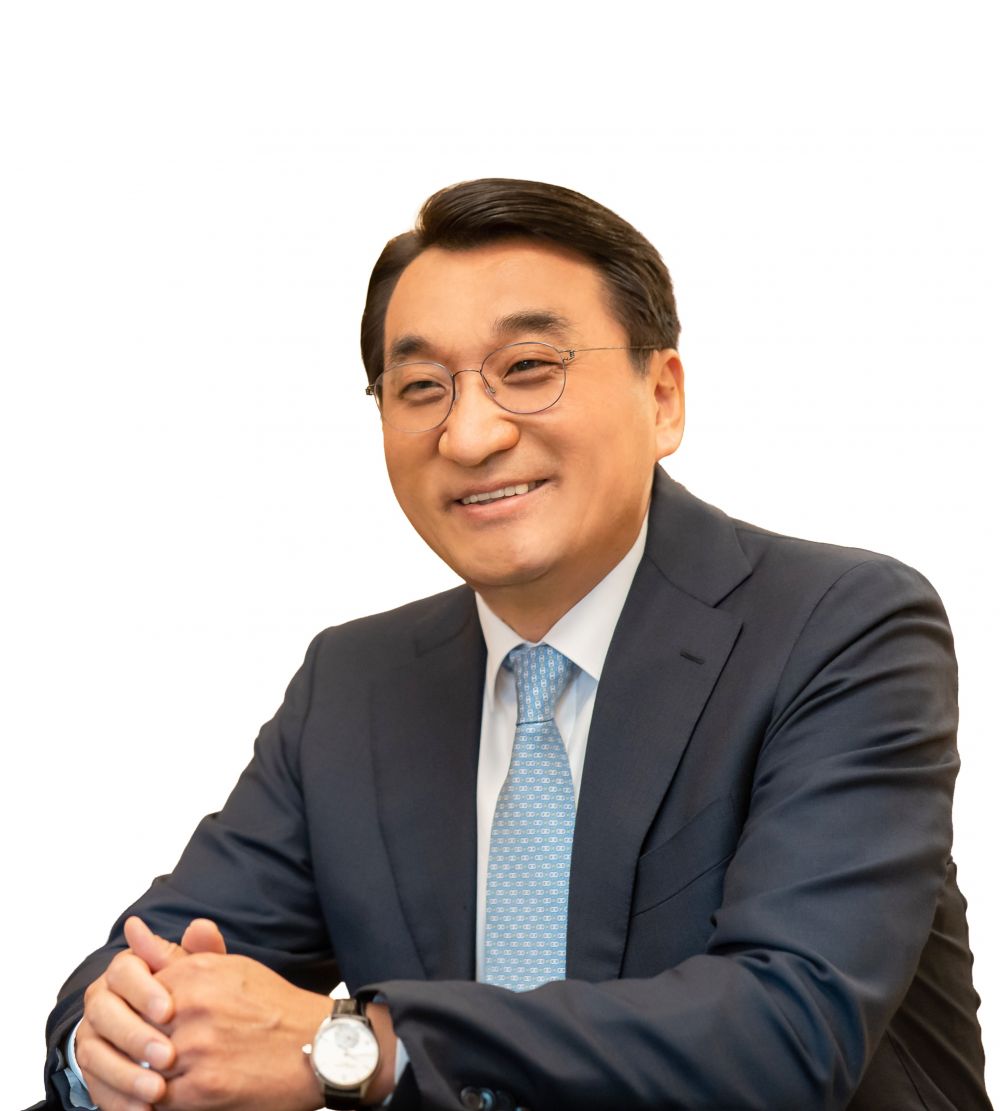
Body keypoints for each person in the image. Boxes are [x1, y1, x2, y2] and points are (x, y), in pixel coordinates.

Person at [34, 179, 990, 1111]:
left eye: (528, 369)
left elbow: (786, 1032)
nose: (471, 433)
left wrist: (359, 1048)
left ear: (662, 396)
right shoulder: (353, 685)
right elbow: (150, 959)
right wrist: (116, 1042)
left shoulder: (841, 627)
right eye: (421, 387)